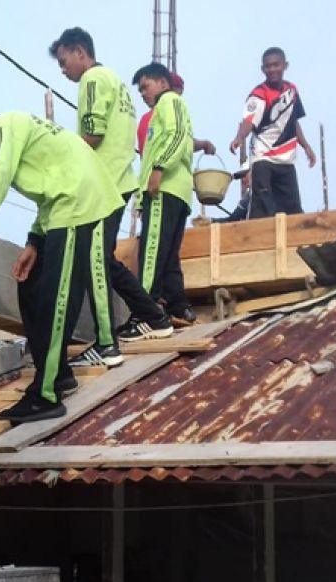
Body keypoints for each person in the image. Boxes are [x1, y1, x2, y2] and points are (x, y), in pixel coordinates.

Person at [0, 90, 172, 420]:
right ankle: (59, 374)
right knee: (31, 285)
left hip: (78, 205)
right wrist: (34, 242)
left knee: (56, 299)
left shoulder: (3, 125)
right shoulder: (18, 131)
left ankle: (46, 395)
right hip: (63, 205)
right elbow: (48, 192)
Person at [47, 27, 175, 354]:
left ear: (80, 51)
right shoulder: (115, 82)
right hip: (118, 180)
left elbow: (92, 134)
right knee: (101, 258)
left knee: (94, 261)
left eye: (64, 62)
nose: (63, 71)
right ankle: (154, 317)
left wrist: (58, 155)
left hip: (103, 185)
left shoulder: (92, 80)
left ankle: (108, 344)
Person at [131, 63, 198, 326]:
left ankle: (144, 313)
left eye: (145, 87)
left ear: (162, 82)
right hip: (176, 190)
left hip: (165, 187)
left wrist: (159, 168)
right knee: (168, 253)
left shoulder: (169, 101)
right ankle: (178, 306)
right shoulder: (164, 108)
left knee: (152, 250)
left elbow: (177, 135)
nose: (144, 94)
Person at [228, 47, 316, 218]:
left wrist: (306, 146)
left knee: (292, 209)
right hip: (264, 158)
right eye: (268, 66)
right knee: (262, 208)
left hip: (286, 160)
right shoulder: (258, 94)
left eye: (276, 65)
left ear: (285, 65)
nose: (272, 69)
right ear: (263, 69)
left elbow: (293, 121)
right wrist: (239, 137)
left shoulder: (291, 90)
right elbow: (248, 121)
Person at [136, 71, 216, 159]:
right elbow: (180, 141)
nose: (177, 99)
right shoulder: (164, 113)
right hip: (164, 170)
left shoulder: (146, 118)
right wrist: (204, 144)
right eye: (176, 94)